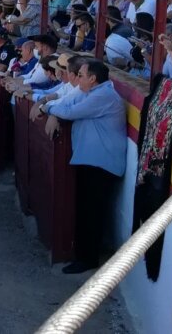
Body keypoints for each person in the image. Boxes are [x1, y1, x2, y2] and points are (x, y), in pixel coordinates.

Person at [31, 59, 126, 274]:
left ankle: (88, 258)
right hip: (93, 159)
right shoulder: (92, 92)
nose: (77, 78)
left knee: (90, 211)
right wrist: (54, 110)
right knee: (86, 209)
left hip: (100, 162)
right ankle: (85, 255)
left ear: (93, 79)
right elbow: (66, 105)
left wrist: (47, 108)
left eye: (81, 75)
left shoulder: (103, 95)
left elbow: (69, 112)